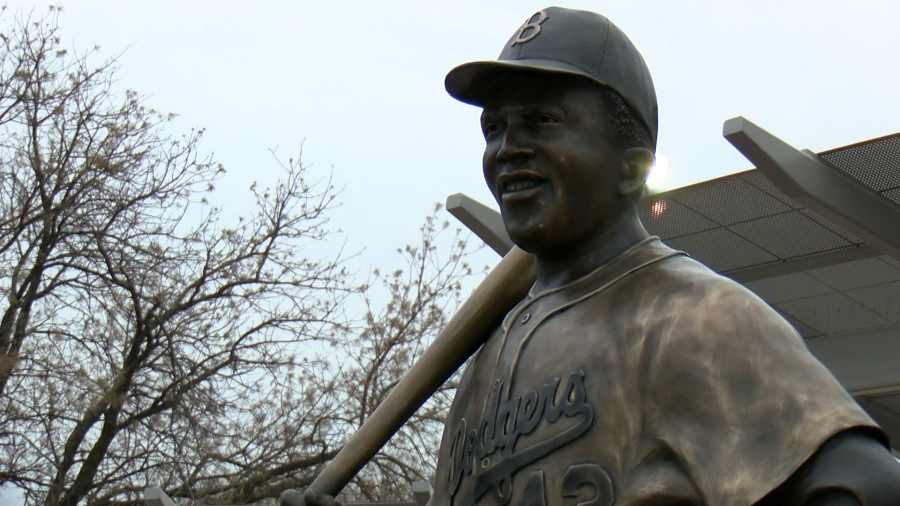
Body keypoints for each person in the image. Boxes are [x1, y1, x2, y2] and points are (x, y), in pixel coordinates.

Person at [285, 7, 900, 506]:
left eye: (543, 120)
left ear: (632, 168)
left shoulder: (696, 318)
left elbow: (867, 486)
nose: (508, 148)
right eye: (495, 128)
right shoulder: (482, 370)